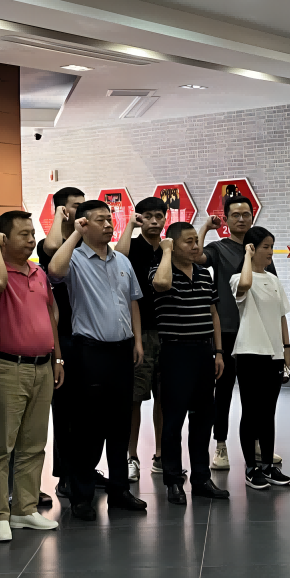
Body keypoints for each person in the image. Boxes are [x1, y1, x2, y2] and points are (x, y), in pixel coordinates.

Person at [47, 200, 147, 520]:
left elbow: (132, 301)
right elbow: (54, 271)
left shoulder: (122, 260)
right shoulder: (75, 259)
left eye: (109, 219)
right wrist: (75, 235)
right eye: (100, 220)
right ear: (84, 224)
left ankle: (119, 490)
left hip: (122, 351)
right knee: (88, 427)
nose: (108, 225)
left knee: (120, 424)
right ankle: (82, 495)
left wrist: (138, 340)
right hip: (89, 352)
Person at [0, 210, 62, 540]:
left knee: (34, 444)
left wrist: (58, 357)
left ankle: (24, 510)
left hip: (43, 366)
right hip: (7, 367)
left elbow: (50, 313)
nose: (31, 239)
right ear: (3, 238)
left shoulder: (38, 272)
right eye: (23, 234)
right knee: (2, 446)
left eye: (32, 233)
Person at [151, 221, 229, 506]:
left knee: (203, 419)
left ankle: (201, 479)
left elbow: (213, 313)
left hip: (203, 352)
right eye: (189, 241)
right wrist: (166, 252)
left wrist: (218, 352)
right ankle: (173, 481)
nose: (196, 246)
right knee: (173, 420)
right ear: (172, 245)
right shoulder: (160, 271)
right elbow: (161, 285)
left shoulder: (204, 274)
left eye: (197, 240)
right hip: (175, 353)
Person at [199, 193, 277, 470]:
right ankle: (220, 445)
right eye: (235, 215)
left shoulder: (261, 248)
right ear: (227, 219)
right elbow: (197, 258)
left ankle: (255, 442)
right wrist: (205, 228)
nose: (241, 219)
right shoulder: (219, 248)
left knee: (254, 394)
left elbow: (272, 290)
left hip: (257, 332)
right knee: (223, 391)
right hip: (229, 331)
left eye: (246, 215)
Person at [37, 187, 90, 500]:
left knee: (87, 412)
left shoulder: (87, 240)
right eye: (75, 206)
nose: (81, 210)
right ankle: (66, 474)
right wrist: (58, 216)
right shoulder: (52, 243)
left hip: (88, 335)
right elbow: (53, 246)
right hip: (63, 336)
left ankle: (84, 470)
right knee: (66, 412)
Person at [231, 226, 290, 491]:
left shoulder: (274, 280)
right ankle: (250, 468)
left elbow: (282, 316)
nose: (270, 252)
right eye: (265, 247)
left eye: (271, 246)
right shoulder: (238, 278)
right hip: (249, 353)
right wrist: (247, 256)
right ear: (252, 248)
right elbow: (245, 285)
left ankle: (268, 466)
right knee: (251, 412)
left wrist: (287, 349)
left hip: (274, 355)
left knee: (268, 413)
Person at [115, 196, 167, 480]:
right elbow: (118, 257)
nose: (154, 221)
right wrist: (130, 226)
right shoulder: (133, 246)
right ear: (140, 218)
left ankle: (160, 455)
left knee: (164, 397)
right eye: (148, 216)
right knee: (134, 398)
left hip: (167, 330)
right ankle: (131, 456)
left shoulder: (168, 248)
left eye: (159, 216)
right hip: (140, 332)